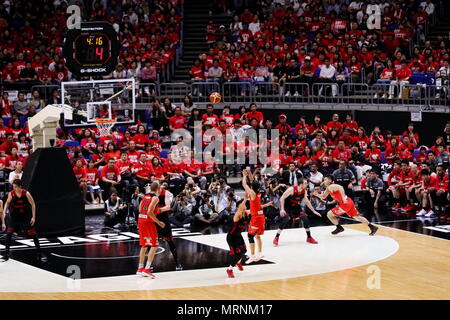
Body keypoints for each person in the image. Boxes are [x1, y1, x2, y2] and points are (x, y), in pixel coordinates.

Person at [1, 179, 45, 262]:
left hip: (24, 217)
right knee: (9, 234)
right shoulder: (11, 194)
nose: (14, 188)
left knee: (33, 234)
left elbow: (33, 204)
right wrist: (4, 211)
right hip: (14, 218)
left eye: (15, 187)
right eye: (13, 187)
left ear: (20, 186)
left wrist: (33, 217)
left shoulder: (26, 193)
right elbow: (7, 203)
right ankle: (6, 254)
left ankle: (40, 253)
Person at [274, 179, 321, 246]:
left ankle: (309, 237)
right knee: (286, 219)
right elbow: (282, 198)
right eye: (305, 183)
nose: (307, 184)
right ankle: (276, 237)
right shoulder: (291, 189)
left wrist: (314, 211)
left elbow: (307, 201)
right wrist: (282, 209)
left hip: (295, 206)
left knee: (305, 219)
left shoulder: (304, 191)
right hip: (286, 206)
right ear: (301, 184)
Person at [136, 182, 165, 278]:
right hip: (148, 222)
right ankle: (147, 269)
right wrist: (158, 222)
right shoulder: (155, 198)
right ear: (157, 188)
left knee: (144, 244)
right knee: (154, 245)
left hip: (141, 220)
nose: (161, 189)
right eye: (160, 187)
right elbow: (149, 212)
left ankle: (140, 268)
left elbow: (140, 208)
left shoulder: (145, 196)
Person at [242, 168, 269, 264]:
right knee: (257, 235)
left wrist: (244, 175)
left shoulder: (252, 193)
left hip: (256, 218)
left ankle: (252, 255)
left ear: (252, 187)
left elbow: (244, 184)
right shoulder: (258, 191)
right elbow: (253, 180)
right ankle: (260, 253)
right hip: (259, 216)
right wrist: (249, 173)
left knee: (250, 236)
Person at [156, 184, 183, 271]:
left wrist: (158, 210)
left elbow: (168, 207)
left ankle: (177, 262)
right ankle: (148, 265)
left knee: (170, 241)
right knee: (151, 242)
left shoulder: (166, 193)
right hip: (154, 218)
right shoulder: (150, 193)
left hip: (163, 218)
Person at [226, 197, 249, 278]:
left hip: (238, 236)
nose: (244, 207)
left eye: (244, 206)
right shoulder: (236, 215)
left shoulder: (246, 213)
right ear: (238, 208)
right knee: (238, 255)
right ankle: (229, 269)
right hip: (231, 238)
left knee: (244, 250)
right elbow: (240, 209)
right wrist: (245, 199)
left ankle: (238, 262)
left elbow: (256, 209)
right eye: (242, 206)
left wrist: (267, 205)